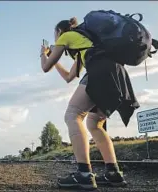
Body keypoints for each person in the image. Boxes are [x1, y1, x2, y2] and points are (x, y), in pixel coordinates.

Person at [40, 17, 140, 190]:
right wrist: (54, 60)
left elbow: (45, 67)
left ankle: (84, 174)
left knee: (73, 115)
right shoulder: (86, 45)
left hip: (99, 72)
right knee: (94, 123)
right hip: (116, 74)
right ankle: (113, 173)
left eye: (55, 34)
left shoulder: (67, 36)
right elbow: (68, 77)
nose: (56, 39)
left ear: (59, 32)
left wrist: (44, 54)